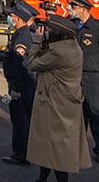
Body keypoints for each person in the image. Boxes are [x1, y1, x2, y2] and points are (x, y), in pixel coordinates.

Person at [26, 14, 92, 181]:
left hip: (56, 105)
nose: (45, 33)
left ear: (57, 34)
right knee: (51, 145)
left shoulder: (60, 52)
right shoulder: (72, 47)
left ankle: (57, 178)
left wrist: (36, 42)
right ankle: (42, 178)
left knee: (58, 148)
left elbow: (32, 64)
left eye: (48, 31)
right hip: (66, 103)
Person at [1, 0, 38, 166]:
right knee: (24, 119)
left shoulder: (22, 37)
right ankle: (27, 151)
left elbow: (20, 67)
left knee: (20, 120)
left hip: (21, 88)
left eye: (12, 16)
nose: (10, 18)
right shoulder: (22, 34)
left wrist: (15, 89)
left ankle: (20, 155)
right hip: (24, 86)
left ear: (18, 19)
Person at [68, 0, 99, 162]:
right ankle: (79, 149)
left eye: (74, 7)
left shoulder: (95, 28)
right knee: (79, 116)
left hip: (92, 78)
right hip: (76, 77)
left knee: (95, 114)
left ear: (83, 9)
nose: (71, 10)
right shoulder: (74, 26)